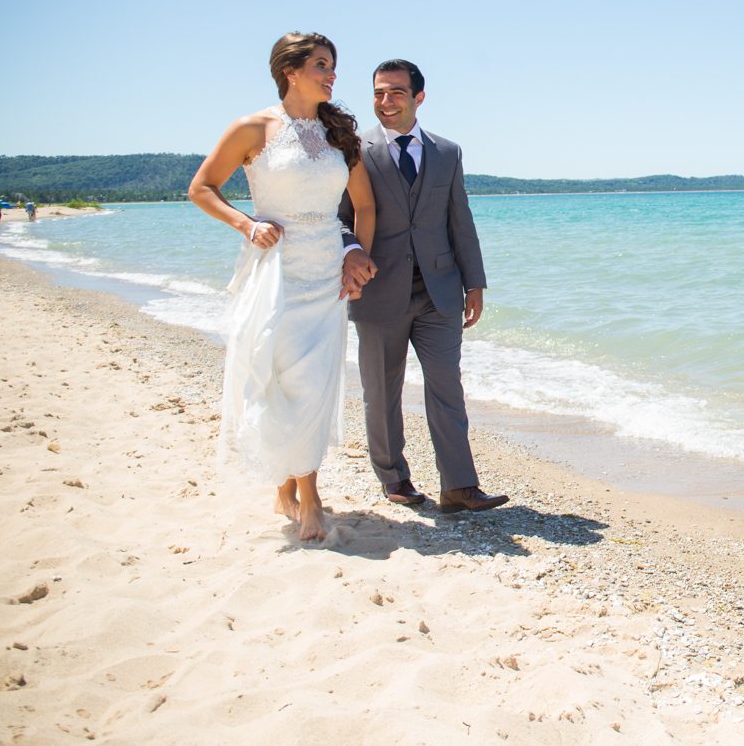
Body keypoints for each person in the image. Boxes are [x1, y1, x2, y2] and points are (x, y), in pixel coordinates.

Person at [189, 32, 376, 541]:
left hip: (326, 277)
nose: (331, 74)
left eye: (333, 65)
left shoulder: (338, 135)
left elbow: (364, 207)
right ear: (290, 71)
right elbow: (201, 189)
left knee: (314, 386)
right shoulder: (254, 128)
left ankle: (308, 495)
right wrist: (247, 225)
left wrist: (356, 254)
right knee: (275, 382)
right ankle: (285, 489)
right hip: (274, 273)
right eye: (321, 64)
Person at [337, 59, 507, 513]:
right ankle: (395, 479)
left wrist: (475, 282)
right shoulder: (352, 149)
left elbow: (460, 220)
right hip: (376, 290)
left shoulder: (448, 152)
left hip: (440, 290)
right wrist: (349, 251)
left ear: (419, 98)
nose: (385, 101)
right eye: (378, 93)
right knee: (381, 389)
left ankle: (459, 486)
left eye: (395, 92)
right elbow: (337, 219)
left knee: (446, 385)